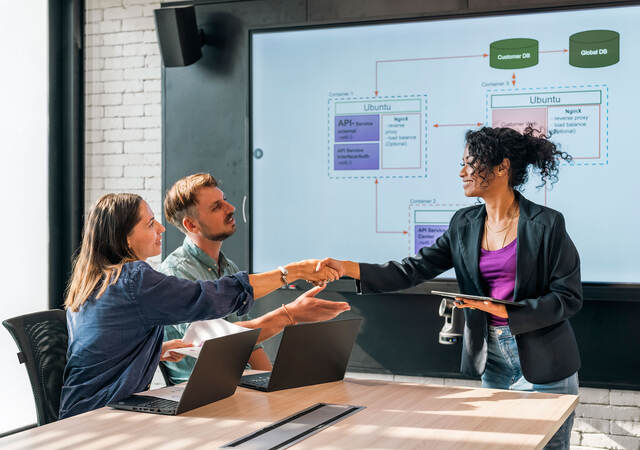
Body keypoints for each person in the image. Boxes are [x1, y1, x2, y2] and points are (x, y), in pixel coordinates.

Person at [320, 127, 581, 450]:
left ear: (502, 167)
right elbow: (412, 269)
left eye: (470, 164)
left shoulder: (546, 224)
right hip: (493, 361)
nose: (462, 172)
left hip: (545, 362)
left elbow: (568, 297)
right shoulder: (464, 224)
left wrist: (506, 311)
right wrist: (348, 268)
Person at [59, 193, 347, 419]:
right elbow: (210, 298)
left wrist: (155, 351)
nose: (160, 228)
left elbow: (99, 344)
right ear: (125, 238)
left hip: (81, 411)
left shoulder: (94, 282)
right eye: (149, 223)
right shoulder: (134, 280)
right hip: (103, 416)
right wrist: (292, 272)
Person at [159, 173, 350, 383]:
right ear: (191, 225)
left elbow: (248, 344)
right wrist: (289, 315)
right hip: (203, 393)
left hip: (238, 385)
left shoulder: (228, 267)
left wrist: (272, 385)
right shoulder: (176, 272)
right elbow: (210, 341)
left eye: (225, 200)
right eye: (216, 207)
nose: (230, 208)